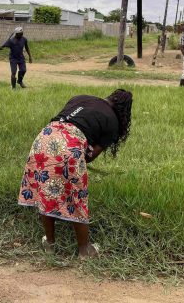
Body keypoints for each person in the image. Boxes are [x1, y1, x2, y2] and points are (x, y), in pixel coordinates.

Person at [18, 89, 133, 258]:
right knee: (76, 197)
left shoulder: (81, 98)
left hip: (43, 139)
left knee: (45, 192)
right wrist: (76, 157)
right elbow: (91, 156)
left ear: (108, 97)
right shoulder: (113, 121)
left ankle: (50, 245)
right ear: (124, 111)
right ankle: (84, 250)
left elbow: (66, 123)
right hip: (69, 148)